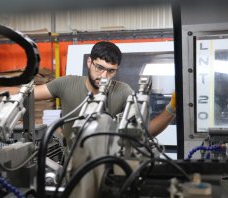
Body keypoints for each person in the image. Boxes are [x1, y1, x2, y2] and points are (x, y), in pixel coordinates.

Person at [34, 41, 175, 143]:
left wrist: (171, 109)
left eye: (111, 71)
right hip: (71, 162)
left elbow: (144, 132)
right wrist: (12, 90)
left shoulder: (123, 91)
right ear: (89, 62)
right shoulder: (66, 83)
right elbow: (28, 94)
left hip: (107, 163)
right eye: (99, 67)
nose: (103, 76)